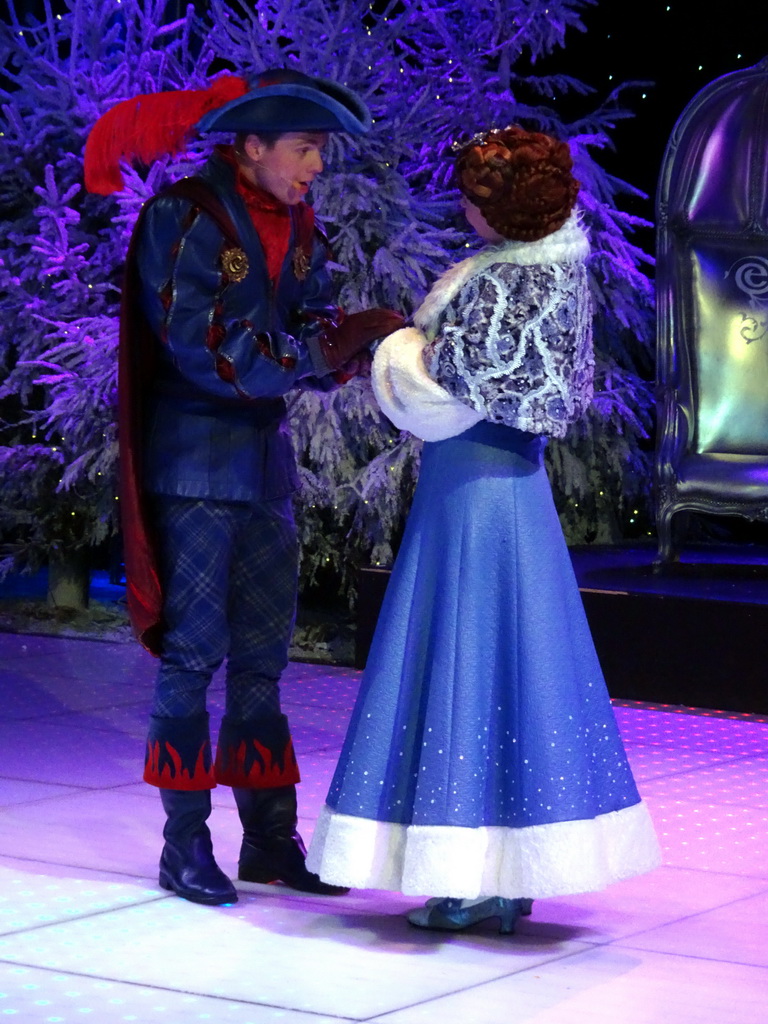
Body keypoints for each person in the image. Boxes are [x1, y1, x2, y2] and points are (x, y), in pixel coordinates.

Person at [307, 126, 661, 933]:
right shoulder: (560, 273)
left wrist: (394, 344)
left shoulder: (501, 285)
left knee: (467, 659)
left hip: (473, 489)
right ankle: (506, 873)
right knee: (518, 664)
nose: (464, 209)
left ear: (501, 210)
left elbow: (444, 390)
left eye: (474, 198)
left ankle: (466, 875)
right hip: (512, 490)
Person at [85, 69, 402, 905]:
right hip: (195, 467)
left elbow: (306, 323)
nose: (314, 169)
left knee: (262, 662)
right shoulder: (181, 218)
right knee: (192, 657)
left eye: (320, 153)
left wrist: (344, 344)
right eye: (304, 150)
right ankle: (183, 845)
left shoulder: (299, 225)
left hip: (264, 470)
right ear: (252, 145)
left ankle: (268, 841)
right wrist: (315, 354)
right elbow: (205, 349)